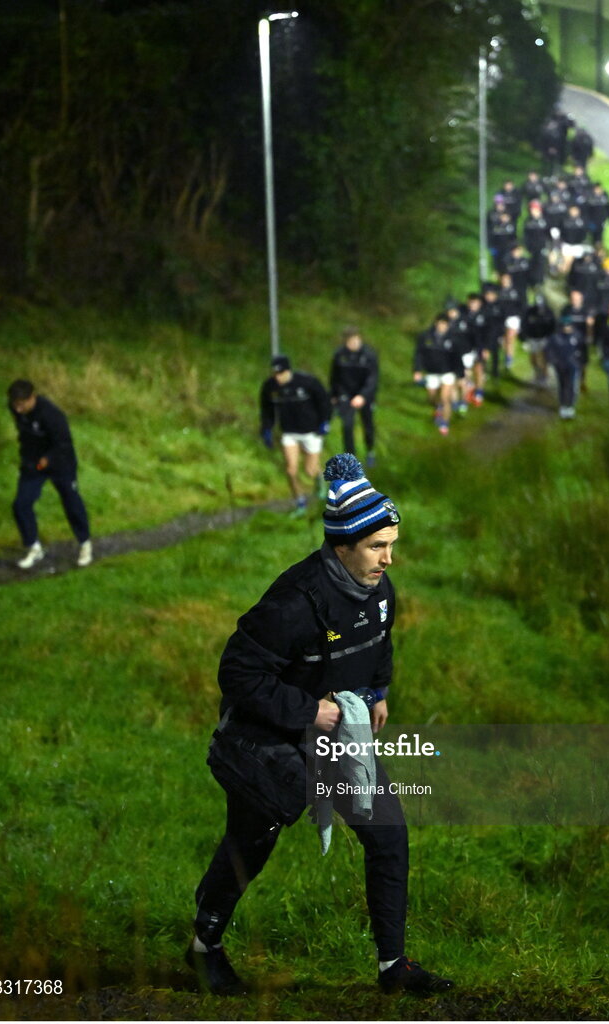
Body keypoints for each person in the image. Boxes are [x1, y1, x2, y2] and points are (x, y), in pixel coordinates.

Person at [188, 453, 453, 997]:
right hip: (271, 737)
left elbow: (379, 645)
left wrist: (377, 693)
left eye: (392, 545)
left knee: (388, 835)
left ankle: (392, 968)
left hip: (340, 739)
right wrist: (309, 710)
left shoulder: (379, 591)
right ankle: (203, 949)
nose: (389, 559)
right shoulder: (293, 602)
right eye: (378, 546)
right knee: (250, 843)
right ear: (342, 546)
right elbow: (236, 672)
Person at [6, 379, 92, 569]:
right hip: (33, 464)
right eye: (15, 405)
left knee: (71, 501)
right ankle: (34, 547)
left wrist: (48, 459)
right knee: (21, 504)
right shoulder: (15, 409)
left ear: (32, 398)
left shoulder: (52, 415)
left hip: (61, 463)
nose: (18, 409)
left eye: (21, 405)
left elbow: (64, 443)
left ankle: (85, 543)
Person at [260, 355, 332, 516]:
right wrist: (266, 429)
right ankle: (300, 502)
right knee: (291, 470)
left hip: (311, 431)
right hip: (289, 432)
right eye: (275, 374)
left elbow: (324, 402)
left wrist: (325, 422)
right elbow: (266, 409)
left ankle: (319, 479)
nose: (277, 377)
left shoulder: (307, 382)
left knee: (309, 470)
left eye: (281, 373)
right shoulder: (270, 387)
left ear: (288, 371)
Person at [329, 327, 379, 466]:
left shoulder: (369, 355)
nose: (354, 343)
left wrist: (363, 396)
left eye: (356, 340)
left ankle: (370, 450)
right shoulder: (340, 355)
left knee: (367, 425)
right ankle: (351, 459)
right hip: (346, 394)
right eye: (350, 341)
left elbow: (373, 378)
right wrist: (334, 395)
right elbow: (334, 376)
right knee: (347, 425)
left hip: (364, 395)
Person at [413, 312, 464, 435]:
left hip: (448, 372)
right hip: (432, 372)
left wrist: (460, 375)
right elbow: (419, 354)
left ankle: (445, 423)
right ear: (436, 323)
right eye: (440, 323)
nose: (442, 326)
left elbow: (458, 357)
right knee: (431, 398)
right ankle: (438, 407)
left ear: (448, 325)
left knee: (445, 398)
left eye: (444, 324)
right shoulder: (426, 336)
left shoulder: (453, 338)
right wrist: (417, 370)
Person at [543, 316, 588, 419]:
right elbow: (548, 351)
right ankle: (563, 405)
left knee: (571, 385)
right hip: (560, 366)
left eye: (568, 325)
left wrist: (582, 362)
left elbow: (583, 350)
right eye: (564, 326)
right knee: (562, 385)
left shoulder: (577, 336)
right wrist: (553, 361)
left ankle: (570, 406)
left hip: (573, 365)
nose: (566, 328)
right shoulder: (555, 337)